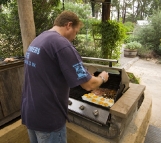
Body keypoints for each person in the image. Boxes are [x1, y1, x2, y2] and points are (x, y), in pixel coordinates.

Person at [21, 10, 109, 143]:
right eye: (76, 32)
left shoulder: (39, 39)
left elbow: (48, 71)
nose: (74, 37)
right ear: (69, 25)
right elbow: (89, 85)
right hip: (49, 118)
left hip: (31, 113)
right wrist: (102, 77)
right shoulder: (61, 44)